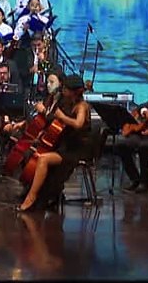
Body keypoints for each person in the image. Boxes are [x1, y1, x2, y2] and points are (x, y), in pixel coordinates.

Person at [15, 74, 92, 212]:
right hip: (64, 147)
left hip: (74, 151)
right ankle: (35, 192)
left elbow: (78, 124)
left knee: (43, 159)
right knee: (31, 153)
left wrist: (62, 117)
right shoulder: (68, 103)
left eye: (66, 89)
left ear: (73, 91)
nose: (63, 91)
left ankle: (32, 197)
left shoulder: (82, 106)